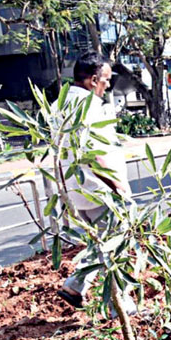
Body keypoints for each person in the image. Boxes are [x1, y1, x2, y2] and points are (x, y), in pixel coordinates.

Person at [56, 52, 136, 317]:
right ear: (92, 80)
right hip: (101, 190)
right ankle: (121, 307)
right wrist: (117, 185)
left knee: (101, 244)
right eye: (106, 80)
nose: (108, 86)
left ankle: (75, 286)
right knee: (116, 248)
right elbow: (94, 151)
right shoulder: (88, 106)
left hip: (78, 190)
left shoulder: (61, 104)